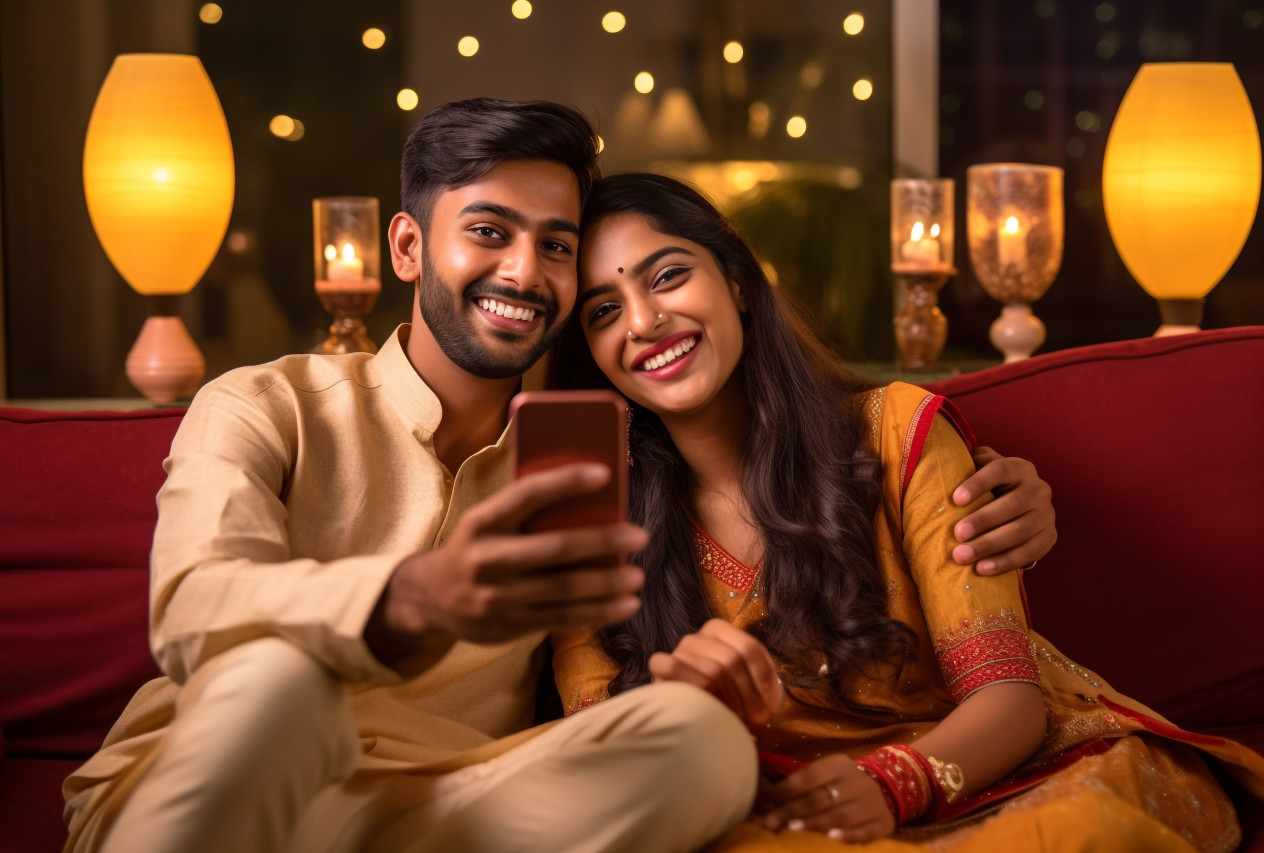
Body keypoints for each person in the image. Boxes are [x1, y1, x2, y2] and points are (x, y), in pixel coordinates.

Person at [62, 99, 1058, 853]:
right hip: (219, 782)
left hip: (436, 806)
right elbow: (192, 608)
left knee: (696, 740)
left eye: (555, 247)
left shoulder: (602, 454)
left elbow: (617, 696)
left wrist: (1007, 486)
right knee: (280, 675)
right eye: (488, 231)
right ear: (408, 246)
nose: (523, 272)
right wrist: (413, 597)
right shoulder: (264, 404)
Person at [547, 172, 1264, 852]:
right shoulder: (590, 526)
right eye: (604, 311)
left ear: (737, 280)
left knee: (1079, 833)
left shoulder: (896, 432)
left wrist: (893, 784)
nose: (643, 321)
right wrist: (680, 718)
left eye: (668, 276)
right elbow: (597, 766)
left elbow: (1010, 700)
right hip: (784, 812)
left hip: (1003, 778)